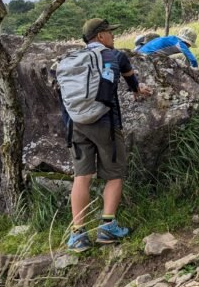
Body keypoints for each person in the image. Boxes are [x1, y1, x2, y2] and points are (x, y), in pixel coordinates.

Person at [64, 19, 152, 252]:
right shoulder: (115, 56)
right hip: (105, 122)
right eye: (109, 33)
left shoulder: (71, 60)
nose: (113, 37)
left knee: (81, 177)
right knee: (114, 173)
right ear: (101, 36)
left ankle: (78, 235)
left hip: (76, 124)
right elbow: (131, 80)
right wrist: (138, 89)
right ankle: (107, 227)